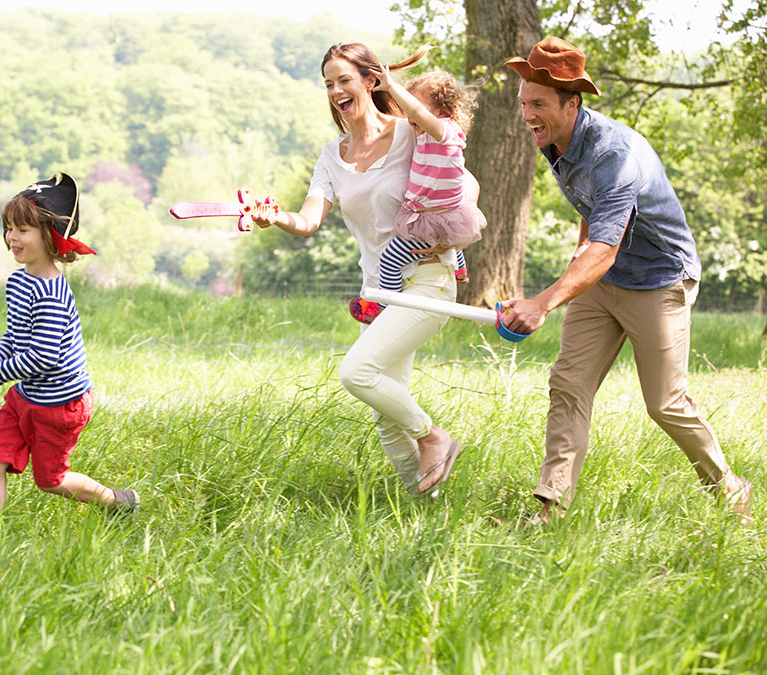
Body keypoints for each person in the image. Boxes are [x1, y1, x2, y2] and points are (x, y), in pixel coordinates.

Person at [500, 37, 751, 523]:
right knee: (569, 384)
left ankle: (728, 485)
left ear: (572, 104)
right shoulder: (554, 138)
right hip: (603, 278)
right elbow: (592, 214)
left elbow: (607, 247)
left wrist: (542, 303)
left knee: (664, 403)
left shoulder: (616, 153)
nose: (527, 114)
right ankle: (549, 507)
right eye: (523, 103)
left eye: (538, 104)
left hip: (658, 279)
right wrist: (581, 247)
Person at [254, 43, 478, 495]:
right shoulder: (331, 155)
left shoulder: (408, 132)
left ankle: (434, 437)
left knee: (357, 372)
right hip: (378, 287)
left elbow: (464, 180)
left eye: (344, 80)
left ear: (370, 82)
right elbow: (308, 220)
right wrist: (275, 216)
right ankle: (422, 505)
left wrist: (446, 235)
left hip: (427, 279)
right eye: (329, 84)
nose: (336, 91)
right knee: (383, 411)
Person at [0, 172, 139, 533]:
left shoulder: (49, 293)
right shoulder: (20, 279)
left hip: (60, 406)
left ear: (50, 237)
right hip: (24, 396)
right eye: (9, 228)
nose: (12, 237)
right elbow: (17, 337)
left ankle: (116, 501)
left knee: (50, 480)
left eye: (23, 230)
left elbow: (42, 356)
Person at [348, 64, 486, 325]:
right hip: (437, 212)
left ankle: (384, 305)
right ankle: (459, 267)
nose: (410, 113)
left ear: (442, 110)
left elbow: (416, 112)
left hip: (431, 217)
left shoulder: (445, 130)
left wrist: (391, 86)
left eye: (416, 106)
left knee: (390, 259)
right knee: (444, 227)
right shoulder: (423, 134)